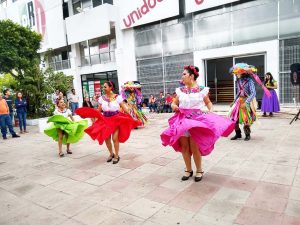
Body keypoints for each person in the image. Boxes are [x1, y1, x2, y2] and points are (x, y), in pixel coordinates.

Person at [161, 65, 235, 182]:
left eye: (184, 74)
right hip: (182, 120)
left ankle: (199, 170)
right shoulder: (180, 90)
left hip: (197, 121)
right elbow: (174, 103)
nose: (182, 76)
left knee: (195, 147)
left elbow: (209, 103)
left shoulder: (201, 90)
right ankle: (188, 169)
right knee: (184, 146)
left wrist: (210, 112)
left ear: (191, 76)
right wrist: (174, 106)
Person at [75, 81, 141, 164]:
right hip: (105, 119)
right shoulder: (101, 98)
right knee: (107, 138)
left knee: (114, 138)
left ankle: (117, 155)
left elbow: (125, 109)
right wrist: (89, 115)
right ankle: (111, 154)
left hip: (116, 119)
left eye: (105, 87)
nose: (103, 88)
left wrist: (132, 117)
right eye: (103, 87)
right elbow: (98, 111)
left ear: (110, 87)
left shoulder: (117, 97)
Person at [229, 63, 270, 141]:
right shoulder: (238, 81)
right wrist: (234, 101)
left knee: (246, 119)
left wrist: (247, 102)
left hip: (248, 101)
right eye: (236, 73)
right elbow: (239, 92)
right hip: (239, 101)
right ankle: (238, 134)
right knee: (234, 119)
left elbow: (253, 93)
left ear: (243, 73)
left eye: (237, 72)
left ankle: (247, 134)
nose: (236, 74)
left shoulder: (249, 81)